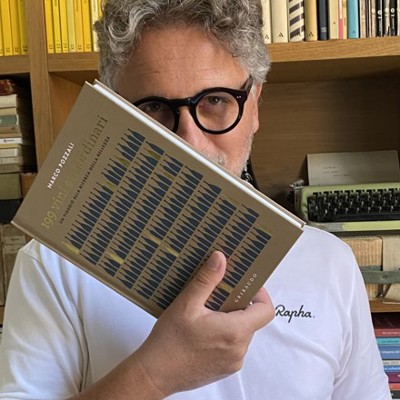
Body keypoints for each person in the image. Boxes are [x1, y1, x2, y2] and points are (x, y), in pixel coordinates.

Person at [0, 0, 390, 399]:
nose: (189, 141)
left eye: (216, 100)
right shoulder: (54, 265)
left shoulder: (330, 262)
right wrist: (154, 375)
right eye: (154, 107)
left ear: (255, 104)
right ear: (117, 111)